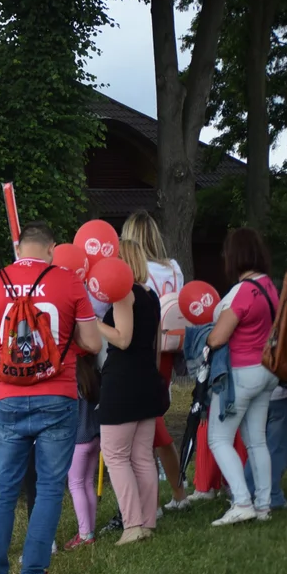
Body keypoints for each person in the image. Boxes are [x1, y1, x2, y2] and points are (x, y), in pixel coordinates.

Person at [0, 222, 101, 574]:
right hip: (57, 396)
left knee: (4, 489)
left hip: (9, 397)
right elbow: (91, 343)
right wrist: (56, 344)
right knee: (47, 488)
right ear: (51, 248)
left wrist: (14, 347)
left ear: (19, 247)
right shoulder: (68, 282)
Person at [206, 228, 281, 526]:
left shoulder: (242, 291)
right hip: (267, 370)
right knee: (257, 440)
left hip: (240, 374)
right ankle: (263, 505)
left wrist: (206, 336)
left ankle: (241, 501)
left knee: (219, 438)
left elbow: (217, 338)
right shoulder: (269, 287)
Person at [97, 240, 166, 546]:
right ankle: (147, 521)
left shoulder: (125, 294)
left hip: (123, 383)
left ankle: (132, 524)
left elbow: (122, 339)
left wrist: (94, 322)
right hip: (146, 381)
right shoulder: (151, 295)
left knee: (115, 456)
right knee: (142, 456)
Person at [121, 210, 190, 510]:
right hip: (169, 348)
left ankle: (174, 494)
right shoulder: (174, 268)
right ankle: (176, 492)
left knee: (149, 423)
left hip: (143, 347)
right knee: (153, 420)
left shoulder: (134, 270)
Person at [64, 354, 101, 549]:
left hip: (77, 440)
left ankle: (85, 534)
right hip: (95, 437)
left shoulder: (71, 379)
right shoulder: (94, 376)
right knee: (88, 483)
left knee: (76, 484)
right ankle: (89, 529)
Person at [245, 387, 287, 509]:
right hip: (278, 394)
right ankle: (272, 496)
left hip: (251, 392)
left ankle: (247, 492)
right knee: (277, 448)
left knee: (256, 447)